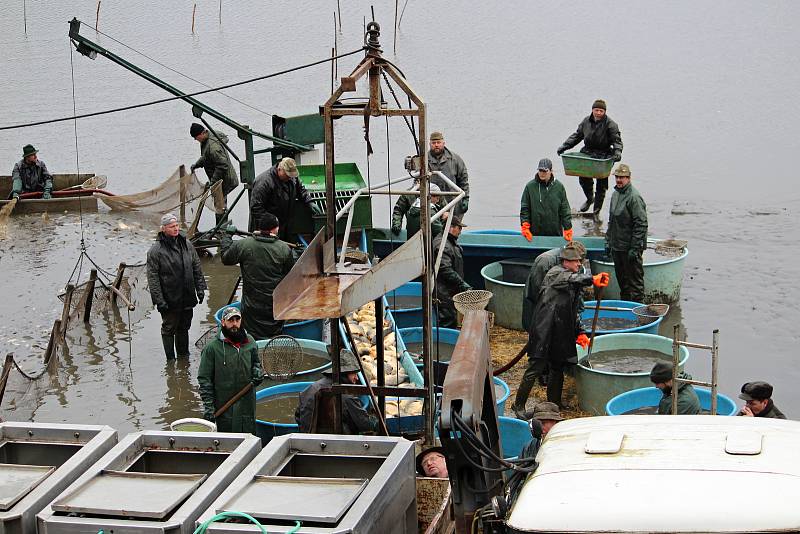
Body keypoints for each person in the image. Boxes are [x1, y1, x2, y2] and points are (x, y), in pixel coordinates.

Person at [512, 243, 609, 415]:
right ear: (566, 261)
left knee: (557, 368)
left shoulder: (573, 277)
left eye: (580, 261)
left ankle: (554, 404)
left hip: (559, 330)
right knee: (535, 367)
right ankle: (518, 405)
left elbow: (573, 309)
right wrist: (592, 279)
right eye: (576, 262)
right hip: (544, 329)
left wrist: (580, 332)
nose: (579, 264)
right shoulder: (555, 274)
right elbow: (572, 279)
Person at [220, 212, 296, 340]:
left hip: (251, 305)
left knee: (251, 338)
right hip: (273, 305)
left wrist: (227, 236)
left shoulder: (244, 245)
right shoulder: (283, 249)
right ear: (274, 229)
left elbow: (226, 258)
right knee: (273, 338)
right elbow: (289, 274)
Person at [146, 212, 207, 359]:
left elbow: (196, 268)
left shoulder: (187, 245)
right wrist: (159, 300)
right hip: (169, 299)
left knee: (184, 327)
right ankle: (170, 359)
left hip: (187, 296)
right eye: (172, 226)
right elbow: (152, 278)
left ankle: (183, 357)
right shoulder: (155, 251)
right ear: (163, 229)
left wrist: (200, 289)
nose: (176, 229)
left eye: (177, 225)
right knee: (168, 328)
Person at [197, 307, 263, 433]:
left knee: (249, 436)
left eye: (237, 320)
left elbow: (256, 363)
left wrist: (257, 371)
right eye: (230, 320)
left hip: (247, 403)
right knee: (228, 440)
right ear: (223, 322)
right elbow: (204, 380)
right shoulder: (212, 349)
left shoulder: (250, 342)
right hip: (224, 406)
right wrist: (209, 408)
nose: (234, 324)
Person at [556, 99, 623, 214]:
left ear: (604, 112)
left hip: (603, 154)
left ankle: (596, 211)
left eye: (601, 111)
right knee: (583, 178)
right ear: (592, 110)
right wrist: (564, 146)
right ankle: (589, 199)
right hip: (588, 152)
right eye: (596, 110)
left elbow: (617, 140)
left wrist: (617, 152)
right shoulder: (586, 121)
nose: (598, 113)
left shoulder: (611, 125)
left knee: (601, 185)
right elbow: (576, 136)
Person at [294, 349, 378, 434]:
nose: (356, 378)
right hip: (336, 443)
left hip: (309, 439)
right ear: (345, 372)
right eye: (354, 374)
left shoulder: (311, 388)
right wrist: (375, 421)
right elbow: (365, 424)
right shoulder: (346, 396)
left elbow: (298, 415)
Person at [250, 157, 321, 241]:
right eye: (288, 175)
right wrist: (272, 223)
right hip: (267, 230)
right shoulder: (263, 182)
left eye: (292, 175)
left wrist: (309, 201)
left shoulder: (292, 177)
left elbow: (301, 190)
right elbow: (255, 208)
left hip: (285, 226)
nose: (290, 177)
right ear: (279, 169)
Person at [606, 163, 648, 303]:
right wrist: (608, 241)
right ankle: (625, 309)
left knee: (635, 285)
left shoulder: (634, 197)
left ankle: (638, 312)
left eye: (622, 177)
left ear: (628, 178)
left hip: (630, 248)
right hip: (617, 247)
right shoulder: (615, 195)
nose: (619, 180)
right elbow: (611, 221)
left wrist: (635, 248)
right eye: (617, 177)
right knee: (622, 284)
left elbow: (641, 224)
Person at [189, 123, 240, 226]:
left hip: (225, 181)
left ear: (202, 133)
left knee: (220, 205)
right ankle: (222, 227)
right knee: (220, 204)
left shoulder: (213, 147)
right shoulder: (210, 135)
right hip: (221, 180)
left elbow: (222, 165)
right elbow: (206, 157)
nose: (195, 140)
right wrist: (197, 165)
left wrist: (213, 181)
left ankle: (221, 229)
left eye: (196, 137)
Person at [432, 216, 472, 328]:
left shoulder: (450, 241)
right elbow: (445, 270)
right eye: (459, 228)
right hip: (444, 293)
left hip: (450, 291)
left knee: (452, 318)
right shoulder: (442, 245)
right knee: (447, 321)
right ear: (451, 228)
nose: (460, 231)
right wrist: (462, 284)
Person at [520, 158, 572, 241]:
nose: (542, 173)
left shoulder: (559, 187)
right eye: (540, 170)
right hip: (535, 235)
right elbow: (525, 208)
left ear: (551, 171)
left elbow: (565, 209)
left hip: (555, 234)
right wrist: (525, 226)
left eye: (545, 171)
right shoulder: (530, 187)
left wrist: (568, 228)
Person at [428, 131, 469, 216]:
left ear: (443, 143)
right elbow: (417, 182)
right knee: (435, 227)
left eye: (438, 142)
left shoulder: (455, 159)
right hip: (431, 203)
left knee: (453, 227)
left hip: (453, 203)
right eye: (433, 143)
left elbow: (463, 181)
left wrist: (465, 198)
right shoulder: (423, 160)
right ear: (429, 144)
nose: (436, 145)